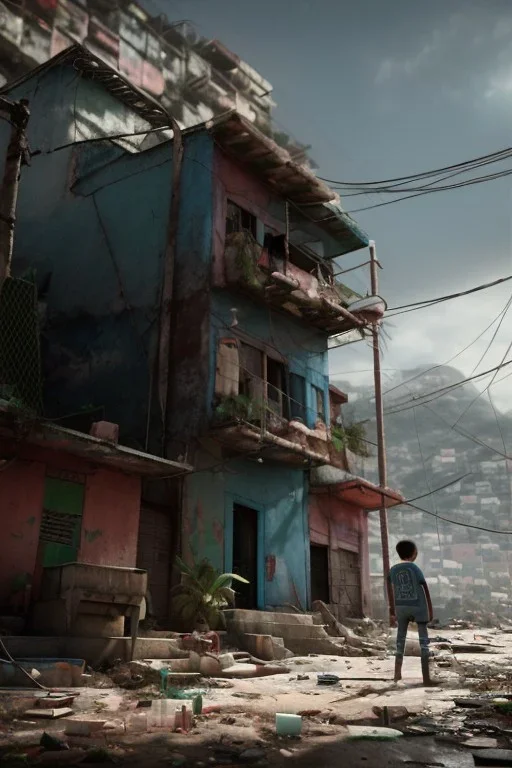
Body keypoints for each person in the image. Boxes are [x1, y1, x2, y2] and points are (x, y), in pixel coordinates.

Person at [387, 539, 437, 687]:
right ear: (414, 553)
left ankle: (397, 675)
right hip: (418, 606)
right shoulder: (414, 568)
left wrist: (392, 608)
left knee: (400, 641)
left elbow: (390, 588)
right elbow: (424, 588)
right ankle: (426, 678)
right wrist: (430, 609)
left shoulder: (393, 569)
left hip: (401, 606)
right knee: (424, 643)